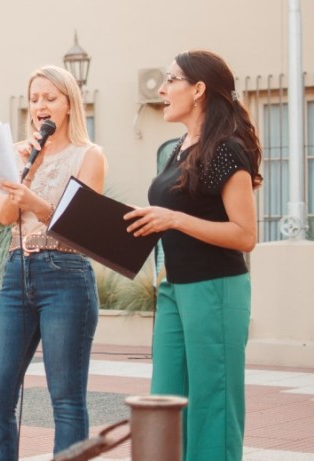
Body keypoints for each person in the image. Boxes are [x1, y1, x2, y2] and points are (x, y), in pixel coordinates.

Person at [124, 50, 262, 461]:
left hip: (215, 290)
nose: (162, 90)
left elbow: (245, 235)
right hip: (175, 290)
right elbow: (169, 216)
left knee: (212, 404)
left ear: (198, 89)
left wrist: (174, 219)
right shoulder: (176, 148)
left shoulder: (226, 150)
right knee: (165, 400)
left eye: (171, 80)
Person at [0, 65, 107, 458]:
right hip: (18, 272)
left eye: (50, 98)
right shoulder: (22, 154)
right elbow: (3, 217)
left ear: (69, 104)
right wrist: (25, 167)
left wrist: (35, 201)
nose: (40, 106)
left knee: (66, 399)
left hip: (65, 274)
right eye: (34, 99)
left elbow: (81, 225)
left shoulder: (89, 155)